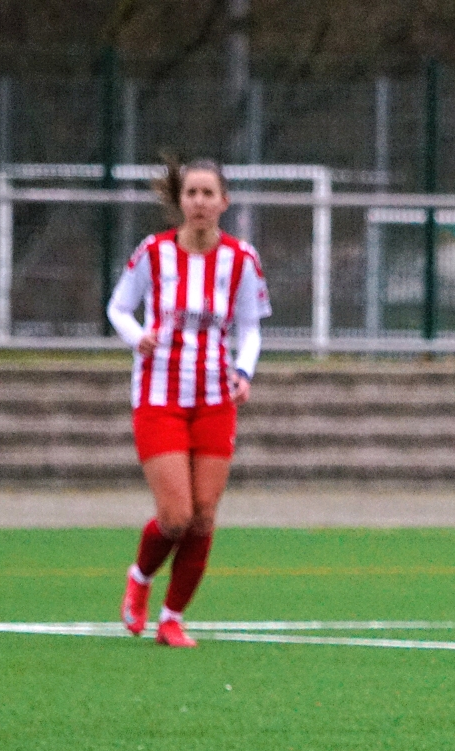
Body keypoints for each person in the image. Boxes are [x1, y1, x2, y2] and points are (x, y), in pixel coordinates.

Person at [107, 157, 271, 648]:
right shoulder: (153, 252)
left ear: (224, 202)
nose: (199, 202)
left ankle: (171, 619)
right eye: (191, 193)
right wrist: (136, 336)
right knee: (176, 516)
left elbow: (250, 328)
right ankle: (140, 578)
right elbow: (118, 307)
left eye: (208, 193)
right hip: (159, 396)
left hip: (215, 397)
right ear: (180, 200)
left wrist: (244, 371)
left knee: (203, 517)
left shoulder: (241, 259)